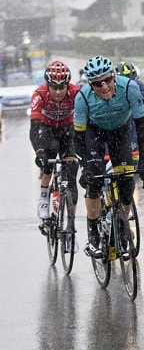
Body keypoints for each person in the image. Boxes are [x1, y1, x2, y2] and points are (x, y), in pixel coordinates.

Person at [74, 55, 144, 258]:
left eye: (108, 80)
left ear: (114, 76)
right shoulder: (82, 98)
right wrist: (85, 167)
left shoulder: (129, 88)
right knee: (95, 177)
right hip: (94, 133)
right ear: (90, 84)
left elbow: (141, 127)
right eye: (98, 84)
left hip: (121, 131)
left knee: (127, 182)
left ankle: (121, 222)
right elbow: (79, 138)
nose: (104, 87)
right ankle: (92, 234)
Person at [29, 61, 80, 253]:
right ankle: (44, 197)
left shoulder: (76, 93)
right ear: (47, 85)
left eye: (62, 87)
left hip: (68, 131)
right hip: (47, 129)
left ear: (67, 85)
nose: (58, 91)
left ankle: (70, 229)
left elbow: (84, 122)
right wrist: (39, 152)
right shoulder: (39, 95)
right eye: (54, 87)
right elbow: (34, 129)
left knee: (72, 177)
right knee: (48, 158)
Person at [114, 61, 144, 163]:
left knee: (135, 160)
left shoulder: (140, 87)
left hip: (135, 126)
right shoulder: (111, 88)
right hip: (120, 127)